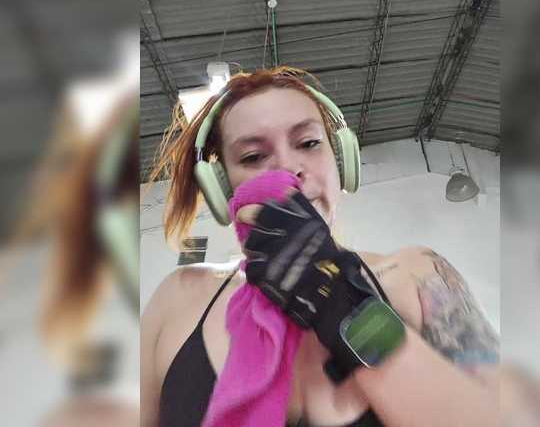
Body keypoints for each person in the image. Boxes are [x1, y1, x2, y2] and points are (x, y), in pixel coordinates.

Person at [141, 66, 499, 427]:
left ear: (341, 159)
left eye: (309, 143)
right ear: (222, 189)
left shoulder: (417, 274)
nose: (287, 167)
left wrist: (342, 302)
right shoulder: (178, 297)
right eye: (252, 157)